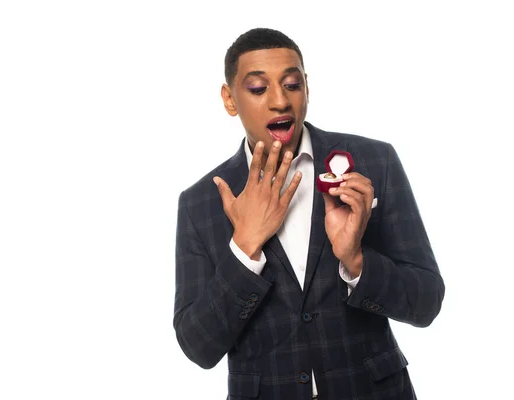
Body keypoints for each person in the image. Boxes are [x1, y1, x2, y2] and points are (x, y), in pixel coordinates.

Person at [173, 27, 444, 400]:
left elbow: (427, 301)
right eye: (257, 88)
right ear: (230, 99)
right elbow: (198, 346)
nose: (280, 101)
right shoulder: (199, 203)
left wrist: (356, 260)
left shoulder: (374, 162)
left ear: (307, 88)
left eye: (292, 84)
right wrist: (245, 246)